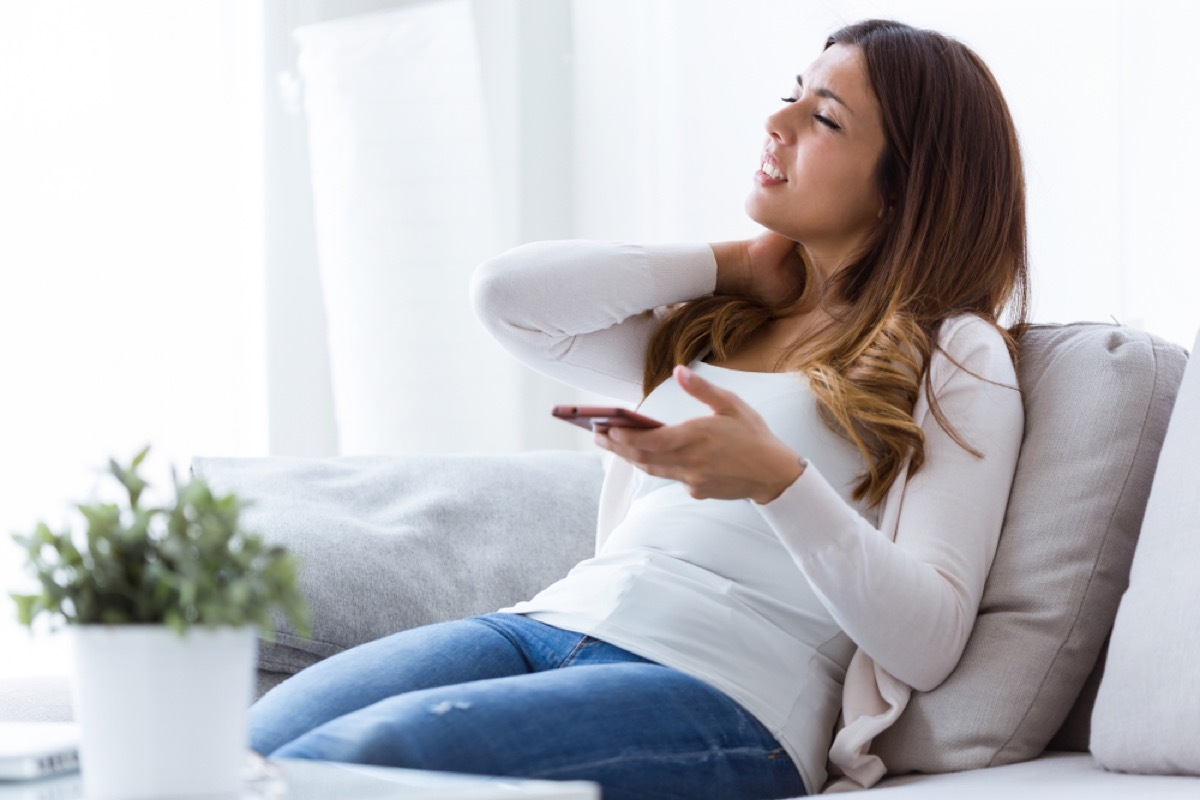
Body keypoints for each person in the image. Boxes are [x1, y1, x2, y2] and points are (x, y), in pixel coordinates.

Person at [247, 19, 1027, 799]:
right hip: (545, 625)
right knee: (244, 743)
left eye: (823, 117)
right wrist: (729, 265)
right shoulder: (722, 324)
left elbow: (930, 638)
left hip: (724, 690)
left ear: (904, 190)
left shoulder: (954, 353)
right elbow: (507, 299)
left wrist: (778, 482)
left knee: (364, 754)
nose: (776, 121)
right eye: (790, 95)